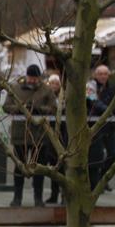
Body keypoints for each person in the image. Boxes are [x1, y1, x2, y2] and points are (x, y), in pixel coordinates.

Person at [4, 64, 57, 207]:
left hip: (39, 135)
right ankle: (17, 198)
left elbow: (54, 108)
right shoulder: (15, 88)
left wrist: (38, 109)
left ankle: (38, 198)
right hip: (20, 134)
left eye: (35, 78)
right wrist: (21, 108)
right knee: (19, 167)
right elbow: (6, 106)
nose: (33, 80)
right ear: (26, 76)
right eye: (30, 78)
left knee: (39, 168)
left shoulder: (46, 90)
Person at [88, 64, 115, 190]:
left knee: (114, 154)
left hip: (109, 126)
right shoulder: (90, 86)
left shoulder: (113, 88)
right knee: (97, 156)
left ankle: (103, 178)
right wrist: (108, 110)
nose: (103, 76)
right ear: (95, 75)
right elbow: (93, 101)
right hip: (95, 126)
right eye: (100, 74)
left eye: (105, 74)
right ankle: (96, 183)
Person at [44, 74, 67, 204]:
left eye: (56, 83)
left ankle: (64, 196)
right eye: (51, 83)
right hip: (50, 135)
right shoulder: (46, 96)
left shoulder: (65, 97)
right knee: (53, 167)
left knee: (64, 168)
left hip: (64, 135)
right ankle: (54, 194)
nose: (54, 86)